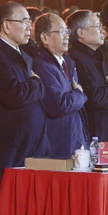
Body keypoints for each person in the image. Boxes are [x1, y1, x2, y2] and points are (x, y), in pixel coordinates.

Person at [0, 1, 47, 196]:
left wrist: (34, 84)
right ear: (6, 26)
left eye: (29, 22)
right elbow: (16, 95)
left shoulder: (21, 54)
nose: (29, 27)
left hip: (29, 142)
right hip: (10, 146)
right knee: (6, 204)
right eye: (24, 21)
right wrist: (37, 83)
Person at [32, 13, 87, 158]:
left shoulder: (68, 62)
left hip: (75, 141)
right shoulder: (42, 66)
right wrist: (79, 95)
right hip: (58, 146)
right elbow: (58, 105)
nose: (67, 36)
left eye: (67, 31)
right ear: (45, 38)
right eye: (61, 32)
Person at [66, 10, 108, 142]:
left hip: (107, 131)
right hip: (94, 134)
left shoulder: (96, 56)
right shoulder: (76, 59)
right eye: (97, 26)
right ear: (81, 32)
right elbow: (93, 98)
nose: (103, 31)